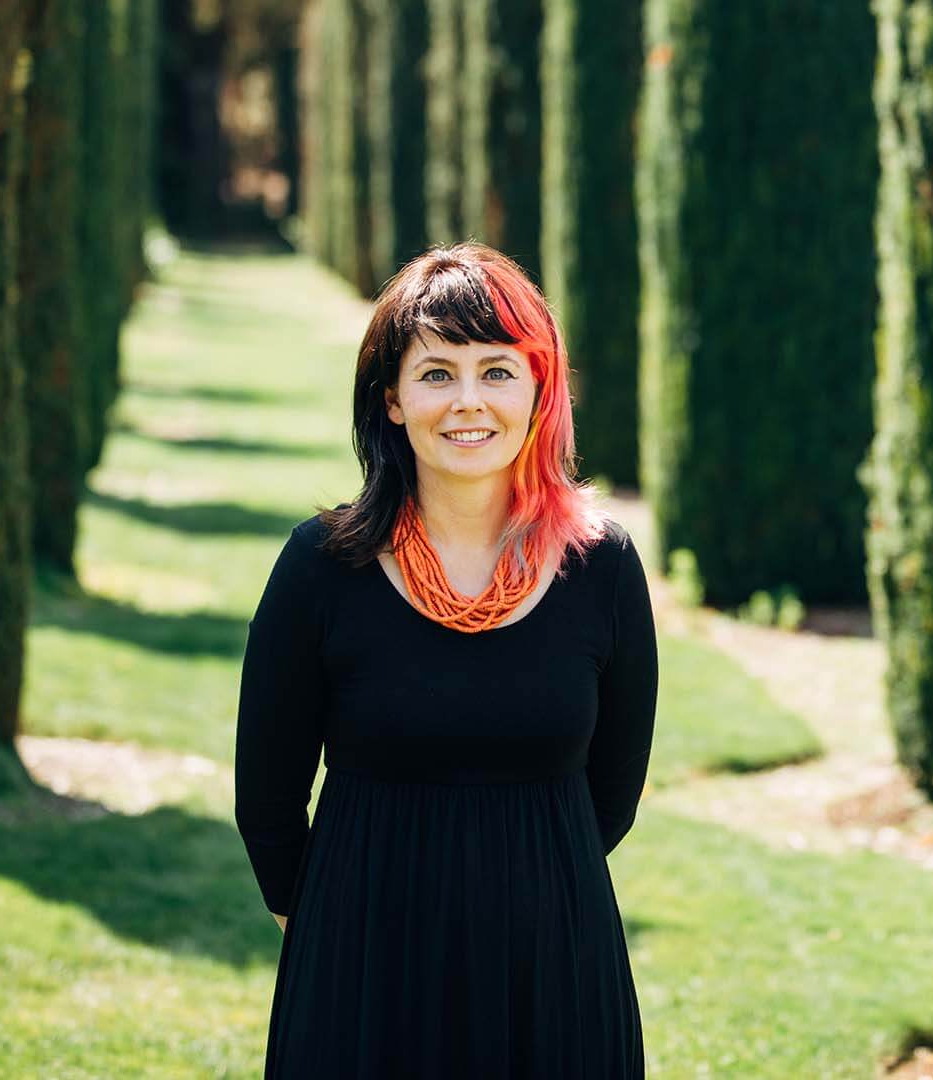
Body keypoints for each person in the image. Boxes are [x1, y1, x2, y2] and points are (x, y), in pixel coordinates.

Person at [234, 242, 658, 1077]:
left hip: (554, 963)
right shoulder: (321, 567)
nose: (468, 402)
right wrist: (332, 927)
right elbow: (268, 799)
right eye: (437, 373)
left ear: (540, 389)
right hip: (361, 966)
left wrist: (526, 886)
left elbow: (614, 792)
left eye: (497, 370)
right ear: (391, 399)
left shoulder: (602, 566)